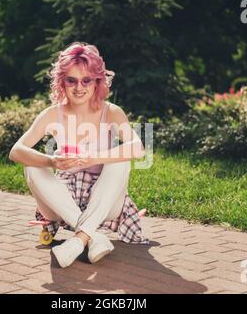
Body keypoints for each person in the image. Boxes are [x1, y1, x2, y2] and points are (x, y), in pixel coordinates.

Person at [9, 42, 149, 268]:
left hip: (104, 201)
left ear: (97, 82)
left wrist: (95, 158)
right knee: (31, 163)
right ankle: (93, 237)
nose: (79, 87)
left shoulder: (111, 112)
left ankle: (79, 240)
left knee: (120, 159)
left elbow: (138, 147)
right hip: (61, 202)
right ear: (61, 82)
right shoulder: (51, 114)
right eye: (71, 80)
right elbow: (16, 151)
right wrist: (52, 161)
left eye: (86, 80)